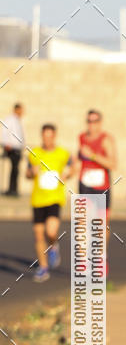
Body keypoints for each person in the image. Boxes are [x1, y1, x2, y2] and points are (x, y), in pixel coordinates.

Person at [26, 124, 73, 282]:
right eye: (44, 136)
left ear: (54, 136)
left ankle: (54, 246)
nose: (47, 139)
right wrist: (31, 173)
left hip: (55, 198)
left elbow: (72, 167)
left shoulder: (63, 154)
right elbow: (27, 173)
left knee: (51, 232)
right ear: (42, 136)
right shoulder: (34, 153)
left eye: (50, 136)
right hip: (38, 199)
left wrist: (68, 173)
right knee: (39, 235)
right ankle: (43, 268)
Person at [76, 109, 117, 267]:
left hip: (102, 186)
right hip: (85, 184)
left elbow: (113, 164)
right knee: (82, 223)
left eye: (94, 121)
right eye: (89, 121)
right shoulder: (81, 137)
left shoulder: (106, 140)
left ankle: (101, 257)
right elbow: (79, 159)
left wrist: (93, 155)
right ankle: (84, 259)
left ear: (100, 123)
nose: (91, 125)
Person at [2, 102, 25, 196]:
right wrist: (6, 143)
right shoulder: (10, 119)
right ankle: (11, 190)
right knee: (14, 169)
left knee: (16, 169)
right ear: (16, 109)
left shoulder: (19, 120)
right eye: (20, 110)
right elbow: (4, 131)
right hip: (11, 147)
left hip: (17, 148)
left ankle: (14, 189)